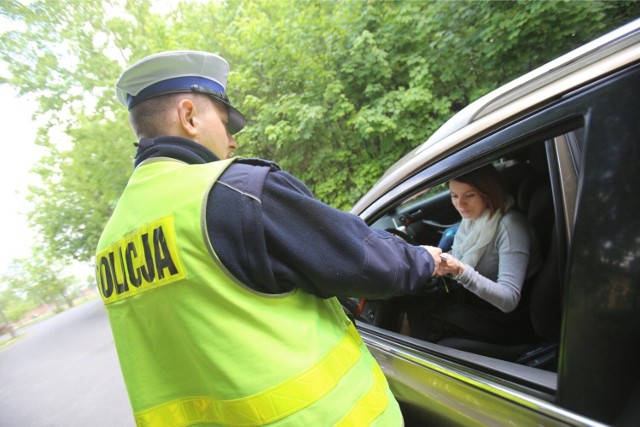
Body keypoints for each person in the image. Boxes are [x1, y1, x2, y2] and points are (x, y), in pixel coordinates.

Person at [95, 50, 442, 426]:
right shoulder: (234, 192)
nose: (232, 142)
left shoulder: (109, 245)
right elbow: (371, 264)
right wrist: (428, 259)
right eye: (227, 124)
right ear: (189, 116)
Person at [407, 164, 542, 344]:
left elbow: (509, 300)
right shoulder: (475, 219)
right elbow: (460, 253)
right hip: (477, 300)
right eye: (454, 196)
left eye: (469, 195)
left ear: (489, 192)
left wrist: (459, 271)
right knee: (417, 304)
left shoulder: (511, 228)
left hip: (505, 318)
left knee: (421, 318)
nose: (460, 204)